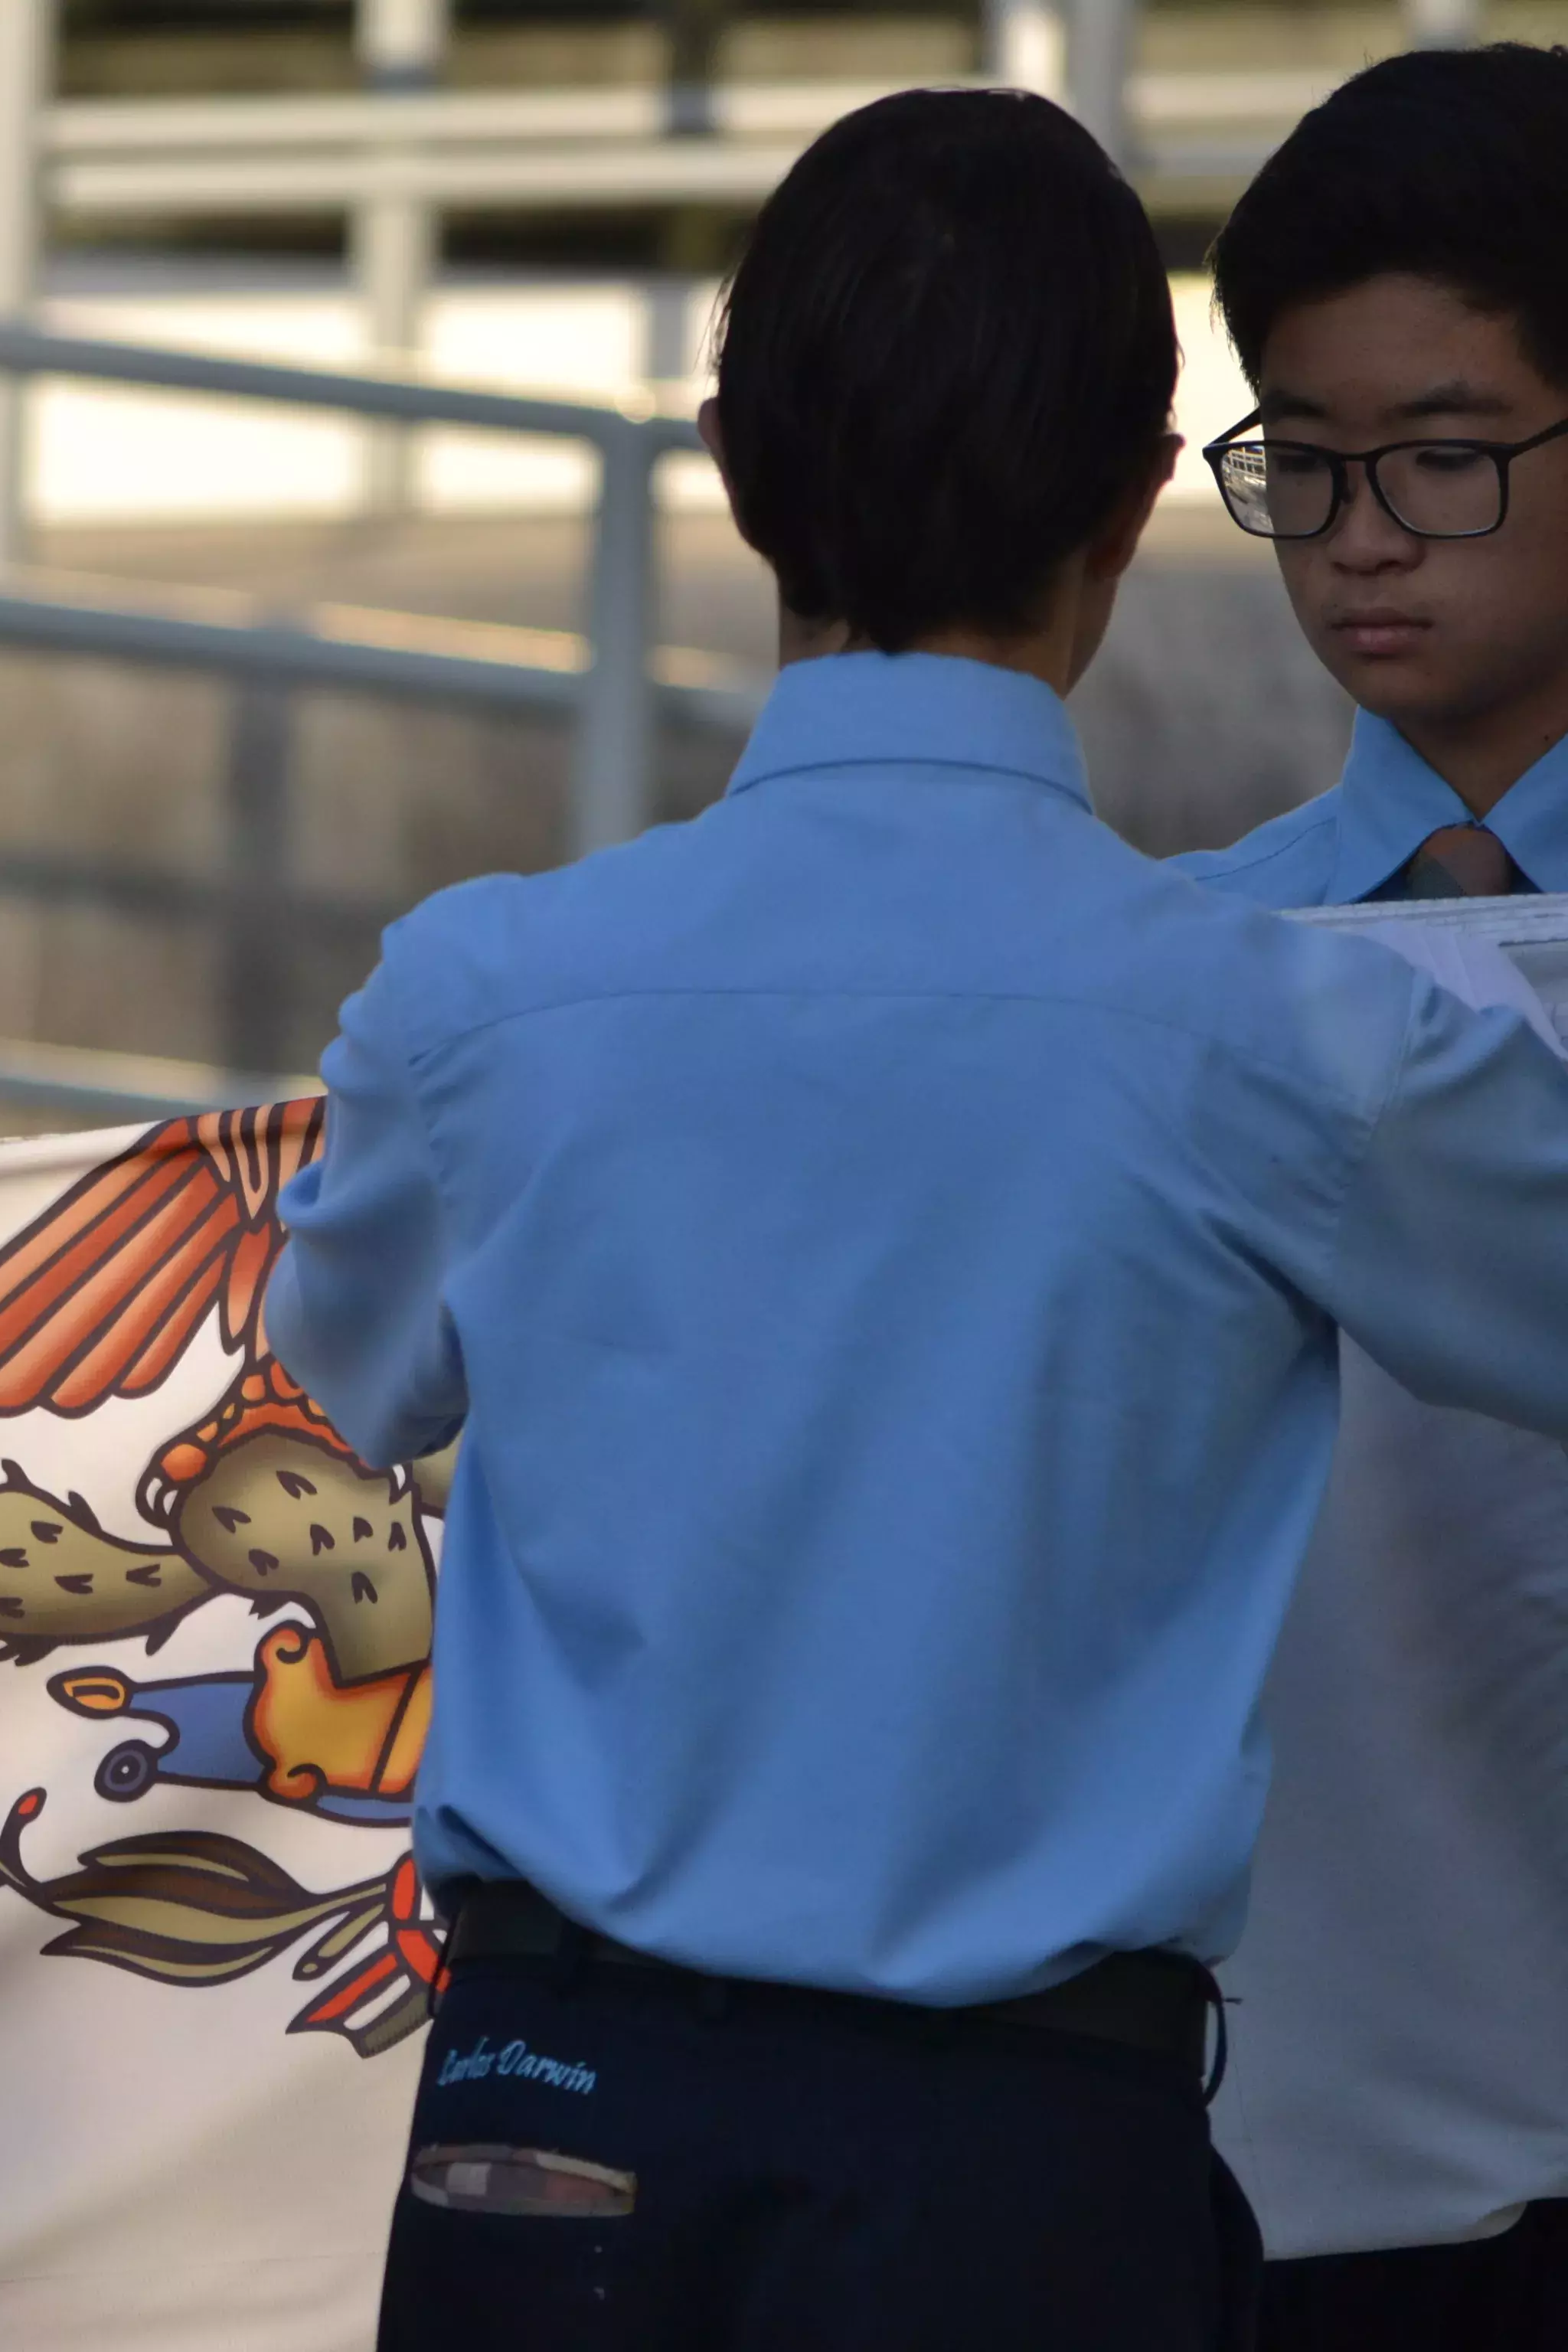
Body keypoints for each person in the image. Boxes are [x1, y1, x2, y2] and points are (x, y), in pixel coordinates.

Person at [269, 87, 1568, 2348]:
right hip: (1022, 2152)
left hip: (549, 2102)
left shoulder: (481, 986)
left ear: (741, 472)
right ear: (1130, 506)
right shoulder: (1269, 1024)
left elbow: (349, 1376)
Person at [1167, 46, 1568, 2344]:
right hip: (1271, 2191)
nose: (1359, 533)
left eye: (1441, 450)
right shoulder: (1165, 975)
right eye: (1295, 464)